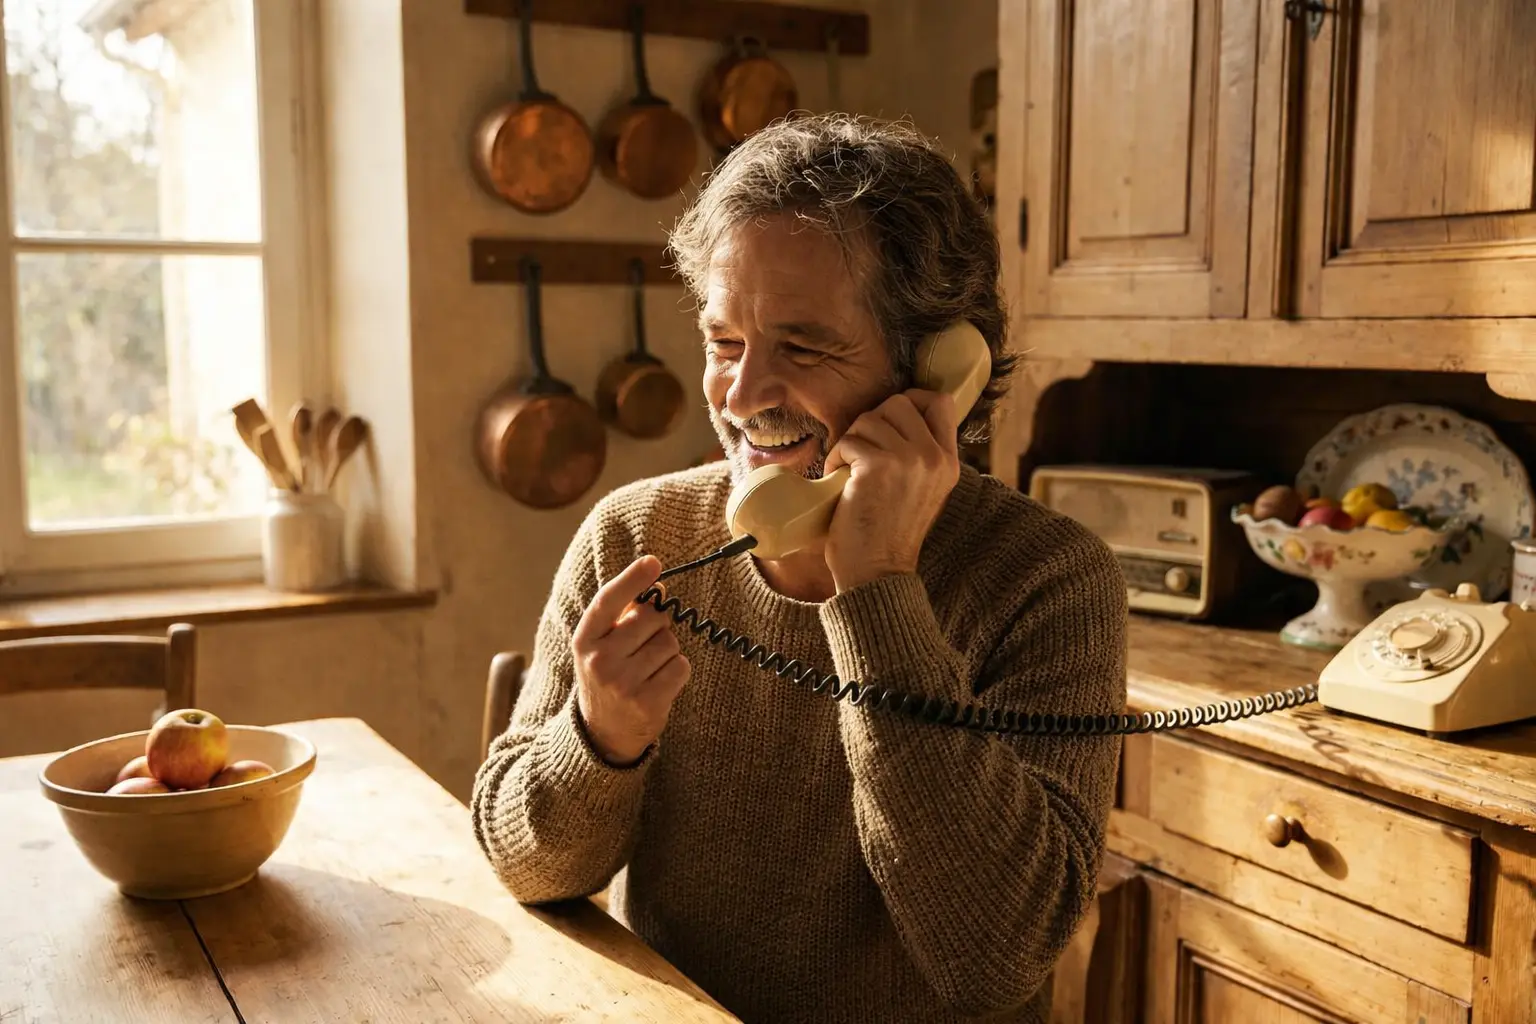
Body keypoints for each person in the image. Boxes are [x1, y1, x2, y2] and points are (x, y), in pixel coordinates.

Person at [471, 114, 1128, 1024]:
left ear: (937, 369)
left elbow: (996, 958)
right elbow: (523, 866)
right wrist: (600, 735)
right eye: (723, 343)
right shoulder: (636, 532)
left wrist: (878, 594)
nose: (740, 398)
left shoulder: (1051, 580)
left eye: (803, 346)